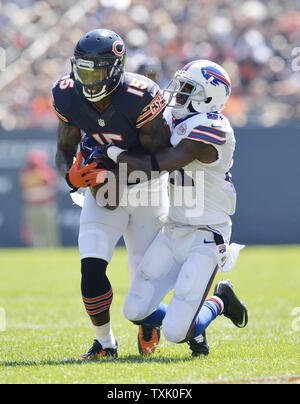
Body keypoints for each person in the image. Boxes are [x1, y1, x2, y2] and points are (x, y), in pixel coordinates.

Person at [101, 59, 248, 356]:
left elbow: (159, 164)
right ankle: (195, 316)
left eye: (187, 88)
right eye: (180, 85)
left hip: (206, 235)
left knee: (176, 333)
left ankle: (219, 302)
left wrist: (113, 153)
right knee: (135, 311)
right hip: (174, 228)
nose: (178, 93)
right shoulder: (179, 116)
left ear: (208, 96)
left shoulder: (212, 128)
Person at [52, 28, 172, 360]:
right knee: (90, 268)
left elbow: (162, 159)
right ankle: (104, 343)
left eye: (97, 70)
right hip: (103, 191)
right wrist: (71, 174)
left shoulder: (140, 94)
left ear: (116, 69)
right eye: (83, 69)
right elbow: (64, 147)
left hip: (147, 190)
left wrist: (115, 166)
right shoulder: (66, 94)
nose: (88, 79)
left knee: (143, 280)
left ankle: (155, 321)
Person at [19, 149, 60, 248]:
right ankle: (37, 253)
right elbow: (24, 190)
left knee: (50, 231)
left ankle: (52, 253)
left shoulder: (47, 171)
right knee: (34, 232)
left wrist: (37, 192)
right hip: (32, 206)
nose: (33, 166)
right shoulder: (25, 172)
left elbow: (52, 188)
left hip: (46, 205)